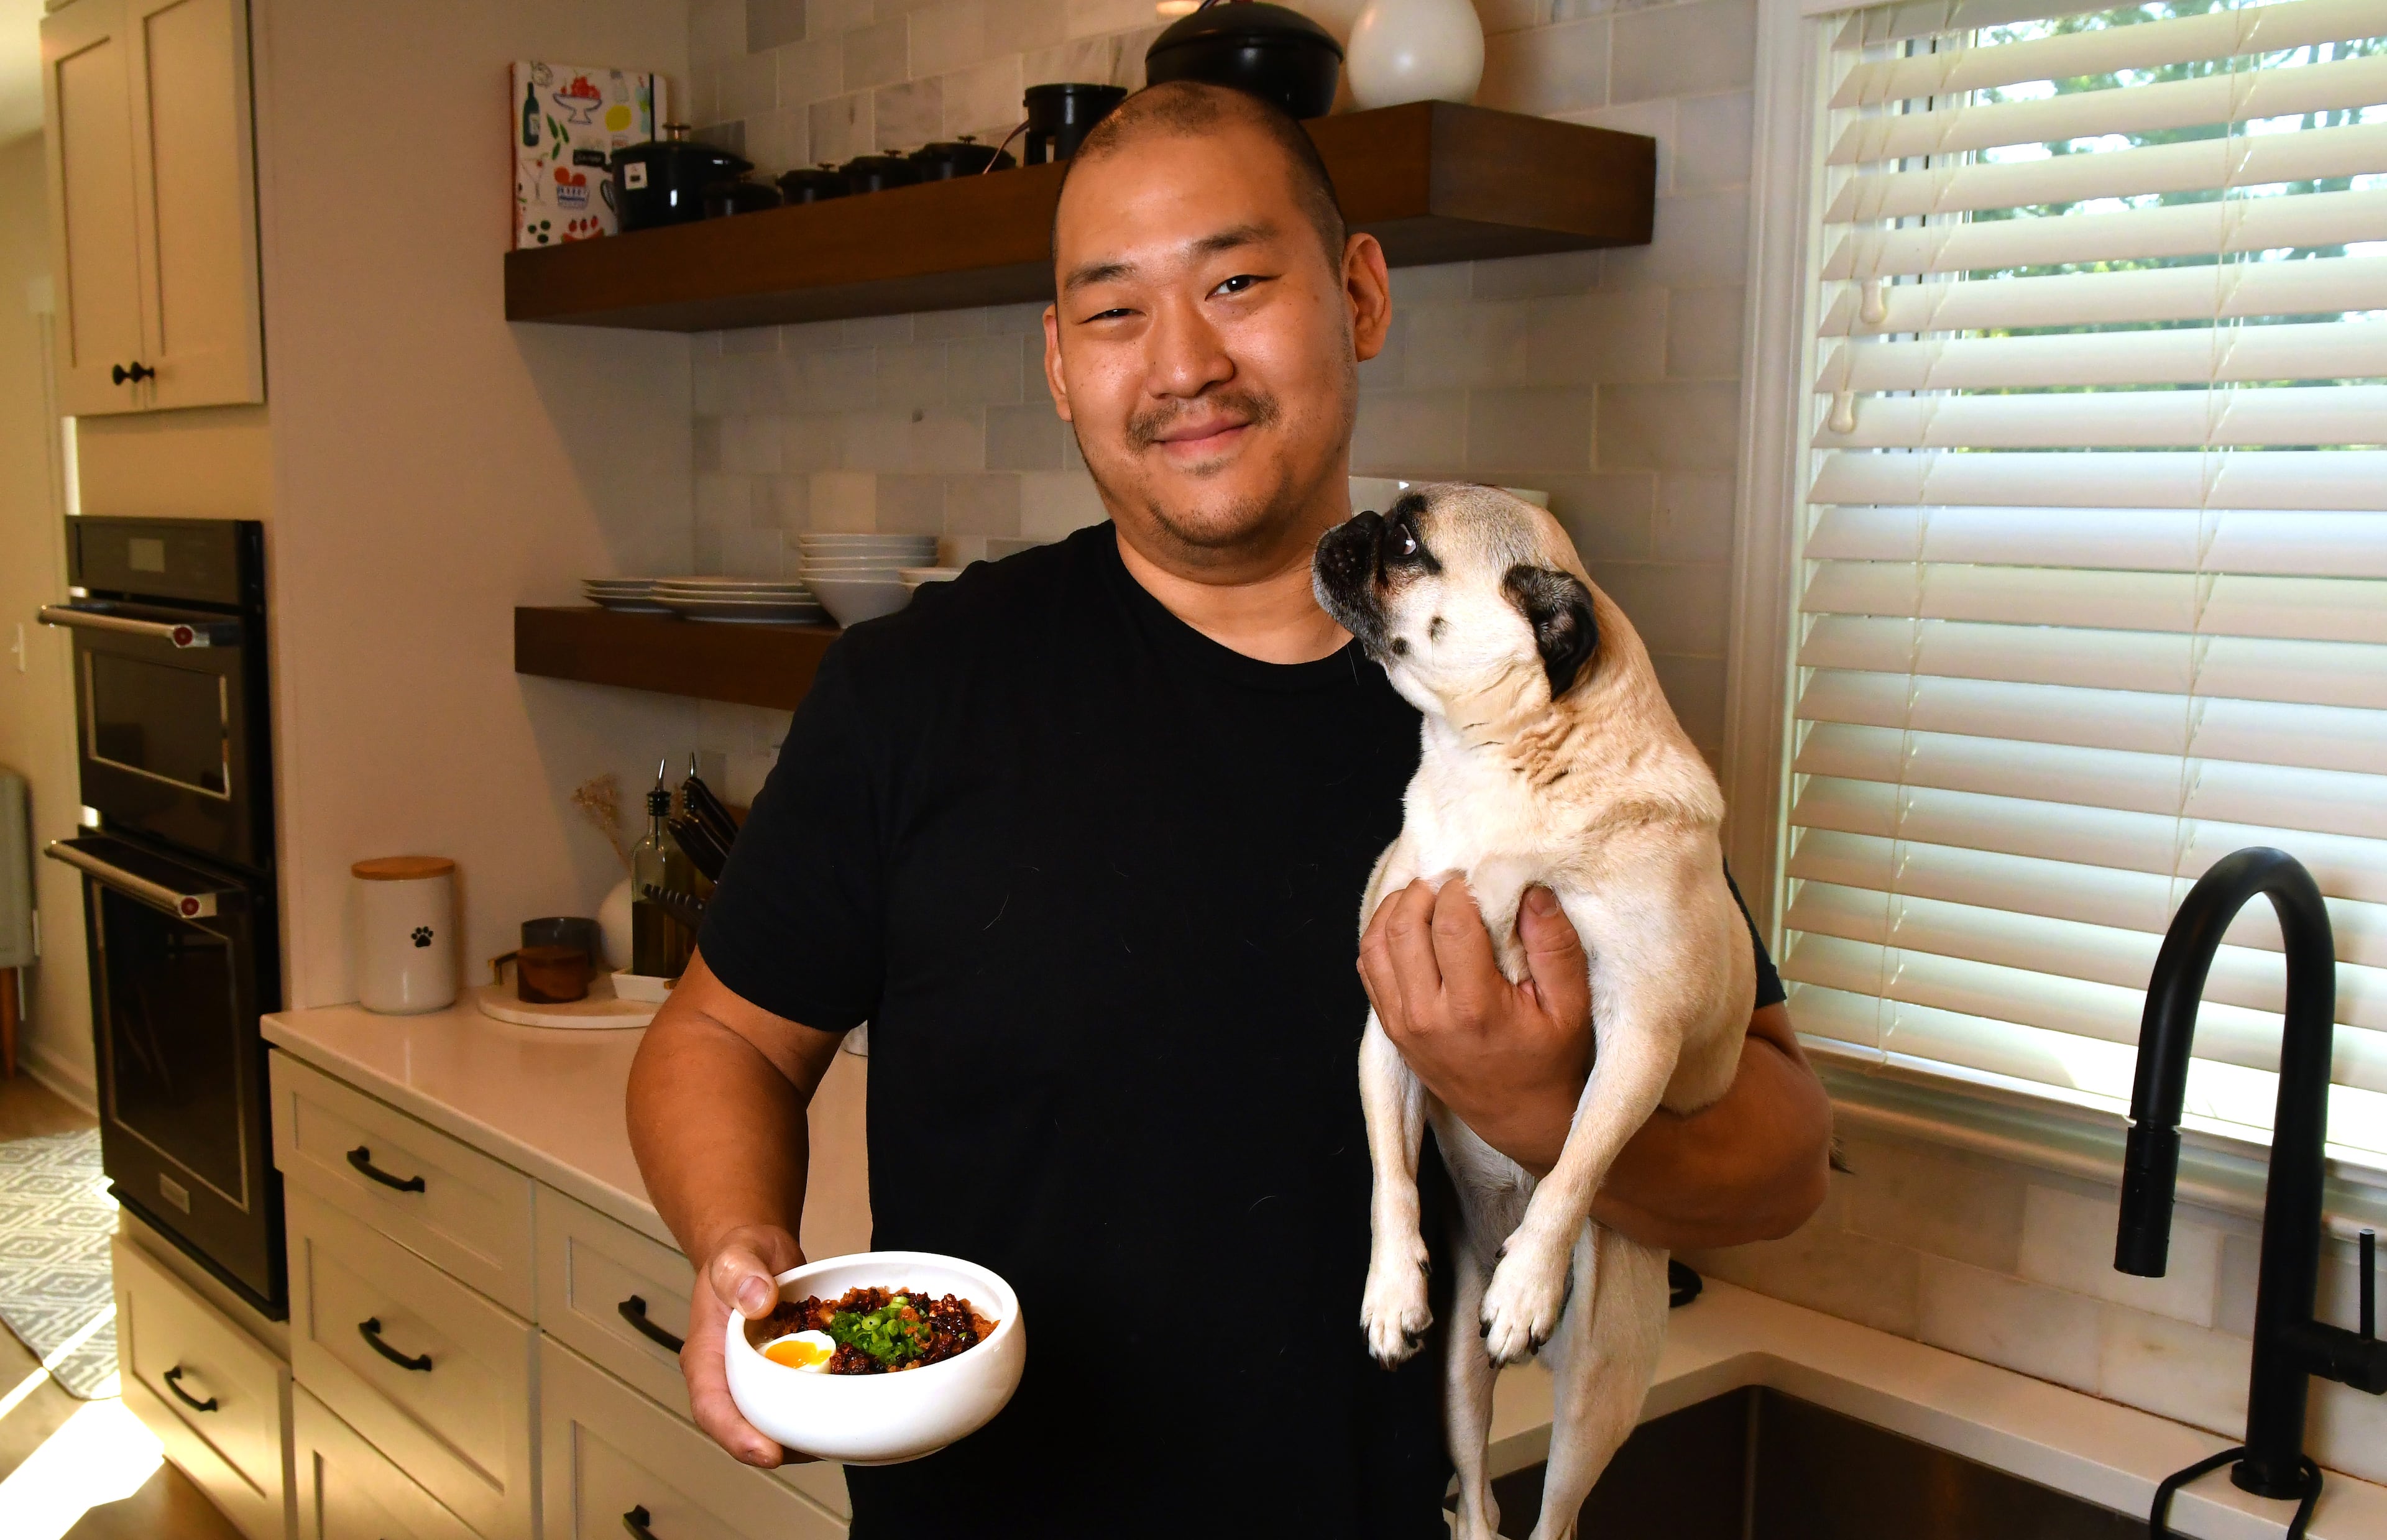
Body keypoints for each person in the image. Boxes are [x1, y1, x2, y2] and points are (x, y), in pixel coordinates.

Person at [626, 80, 1832, 1539]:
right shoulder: (914, 692)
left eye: (1241, 282)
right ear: (1061, 364)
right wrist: (737, 1244)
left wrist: (1535, 1103)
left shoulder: (1531, 719)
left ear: (1362, 294)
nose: (1184, 362)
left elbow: (1781, 1154)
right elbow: (722, 1039)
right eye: (1115, 312)